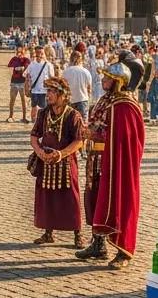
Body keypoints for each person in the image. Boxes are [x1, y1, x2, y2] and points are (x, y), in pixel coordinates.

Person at [75, 62, 145, 270]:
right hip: (96, 159)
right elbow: (98, 123)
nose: (102, 81)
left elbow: (124, 138)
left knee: (118, 202)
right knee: (97, 200)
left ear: (117, 82)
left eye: (106, 78)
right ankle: (98, 244)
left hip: (116, 163)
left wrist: (94, 133)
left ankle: (123, 251)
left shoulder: (125, 105)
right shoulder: (106, 100)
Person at [30, 77, 86, 248]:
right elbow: (34, 136)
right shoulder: (43, 113)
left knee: (71, 197)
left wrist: (62, 154)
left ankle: (78, 234)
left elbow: (79, 140)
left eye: (52, 92)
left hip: (66, 163)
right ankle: (48, 233)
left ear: (62, 95)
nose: (48, 95)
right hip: (46, 162)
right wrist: (39, 152)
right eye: (48, 92)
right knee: (46, 197)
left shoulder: (73, 115)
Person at [61, 50, 92, 121]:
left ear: (70, 59)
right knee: (83, 124)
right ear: (81, 60)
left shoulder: (65, 72)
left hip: (69, 101)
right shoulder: (86, 72)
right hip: (83, 100)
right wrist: (88, 100)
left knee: (70, 123)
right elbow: (89, 89)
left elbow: (63, 88)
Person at [25, 46, 55, 118]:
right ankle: (34, 125)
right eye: (38, 53)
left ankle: (42, 125)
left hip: (44, 91)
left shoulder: (48, 65)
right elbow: (26, 76)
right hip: (34, 90)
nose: (40, 55)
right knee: (34, 108)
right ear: (35, 54)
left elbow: (52, 78)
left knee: (43, 109)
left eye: (41, 53)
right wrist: (26, 88)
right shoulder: (31, 65)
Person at [6, 45, 31, 123]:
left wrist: (22, 68)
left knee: (24, 100)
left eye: (21, 52)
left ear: (24, 52)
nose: (19, 53)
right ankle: (11, 116)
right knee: (12, 100)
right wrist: (14, 69)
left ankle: (24, 117)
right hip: (14, 81)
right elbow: (9, 67)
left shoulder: (26, 60)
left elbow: (28, 68)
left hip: (22, 82)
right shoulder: (14, 59)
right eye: (18, 51)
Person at [146, 45, 158, 126]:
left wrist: (149, 81)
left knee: (155, 99)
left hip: (156, 80)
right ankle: (154, 117)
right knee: (154, 99)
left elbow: (153, 72)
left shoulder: (154, 58)